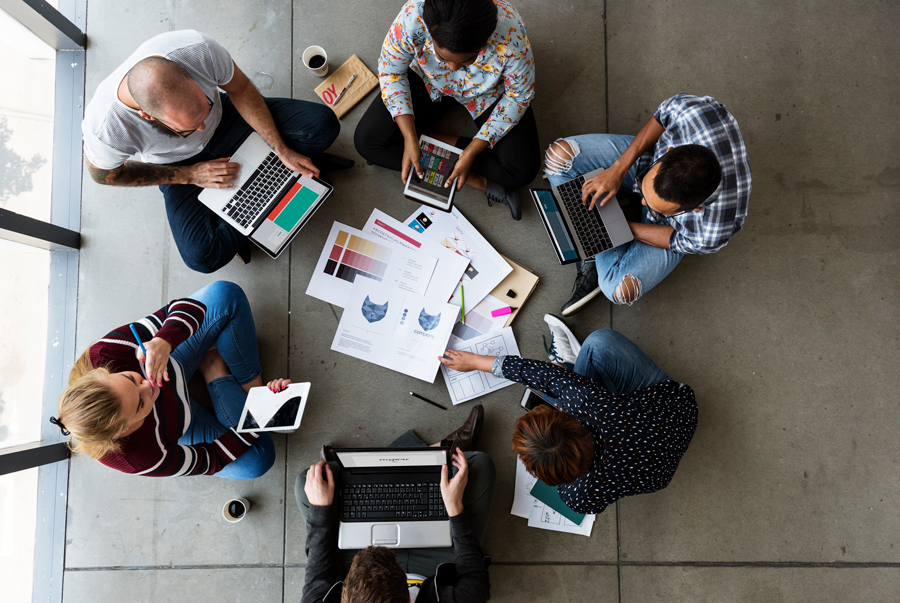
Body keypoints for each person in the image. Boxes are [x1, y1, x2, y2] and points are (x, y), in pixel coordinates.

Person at [81, 30, 347, 273]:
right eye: (188, 128)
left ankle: (250, 199)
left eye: (203, 108)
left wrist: (281, 148)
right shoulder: (105, 129)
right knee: (202, 256)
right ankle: (263, 194)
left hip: (230, 120)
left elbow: (240, 89)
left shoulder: (197, 49)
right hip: (179, 165)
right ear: (147, 116)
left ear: (190, 77)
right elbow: (106, 175)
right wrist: (189, 175)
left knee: (322, 126)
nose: (202, 128)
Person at [439, 315, 698, 515]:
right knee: (597, 345)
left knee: (560, 385)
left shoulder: (578, 497)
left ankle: (571, 366)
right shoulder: (589, 402)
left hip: (659, 474)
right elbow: (540, 374)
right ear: (572, 417)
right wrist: (474, 361)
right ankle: (569, 365)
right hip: (676, 410)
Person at [53, 281, 286, 478]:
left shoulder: (104, 354)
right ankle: (214, 368)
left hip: (172, 360)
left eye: (131, 378)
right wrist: (255, 419)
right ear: (122, 432)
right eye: (141, 404)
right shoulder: (137, 457)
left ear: (105, 372)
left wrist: (163, 341)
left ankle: (253, 388)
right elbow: (210, 458)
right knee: (258, 460)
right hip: (183, 423)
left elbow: (182, 308)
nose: (149, 386)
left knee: (225, 294)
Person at [545, 93, 752, 315]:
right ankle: (607, 231)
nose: (642, 200)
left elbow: (676, 239)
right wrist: (618, 169)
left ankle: (600, 245)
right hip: (645, 160)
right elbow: (660, 119)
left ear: (696, 208)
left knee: (618, 290)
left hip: (665, 228)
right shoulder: (692, 112)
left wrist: (620, 226)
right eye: (644, 190)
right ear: (669, 153)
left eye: (652, 205)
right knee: (558, 158)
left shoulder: (715, 228)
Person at [354, 0, 540, 220]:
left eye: (468, 60)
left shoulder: (511, 35)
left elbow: (519, 97)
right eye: (443, 57)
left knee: (521, 170)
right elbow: (390, 73)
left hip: (486, 91)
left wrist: (471, 151)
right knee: (366, 142)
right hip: (429, 80)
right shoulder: (413, 17)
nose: (452, 68)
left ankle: (426, 140)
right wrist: (409, 137)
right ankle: (476, 180)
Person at [296, 406, 495, 603]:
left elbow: (318, 577)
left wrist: (321, 511)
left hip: (360, 575)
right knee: (480, 465)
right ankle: (440, 453)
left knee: (309, 481)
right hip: (433, 566)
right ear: (409, 597)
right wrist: (455, 509)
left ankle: (359, 467)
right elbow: (475, 579)